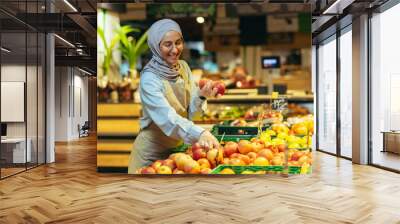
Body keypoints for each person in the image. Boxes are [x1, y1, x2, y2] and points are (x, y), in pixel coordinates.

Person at [128, 19, 220, 174]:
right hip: (150, 155)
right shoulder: (149, 78)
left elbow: (192, 114)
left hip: (178, 153)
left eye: (178, 42)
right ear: (156, 46)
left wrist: (201, 96)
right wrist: (200, 133)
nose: (175, 50)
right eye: (167, 44)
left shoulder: (183, 68)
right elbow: (168, 119)